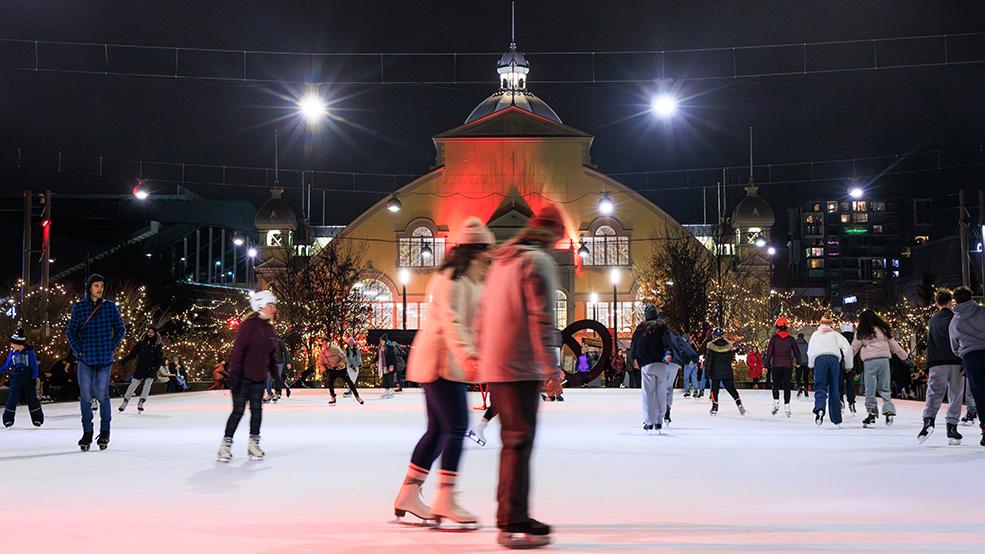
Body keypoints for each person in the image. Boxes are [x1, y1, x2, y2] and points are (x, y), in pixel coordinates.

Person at [393, 217, 493, 528]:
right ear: (473, 250)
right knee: (456, 426)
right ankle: (445, 497)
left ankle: (408, 493)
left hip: (446, 363)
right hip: (440, 364)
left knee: (438, 430)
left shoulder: (472, 280)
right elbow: (453, 325)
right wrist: (470, 357)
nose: (489, 255)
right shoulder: (452, 280)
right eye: (485, 249)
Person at [475, 205, 564, 549]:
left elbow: (483, 315)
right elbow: (539, 320)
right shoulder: (536, 262)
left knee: (513, 442)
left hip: (498, 364)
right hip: (520, 365)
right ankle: (512, 522)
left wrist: (481, 358)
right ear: (552, 234)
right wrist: (550, 370)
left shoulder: (501, 261)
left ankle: (513, 516)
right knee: (519, 442)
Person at [217, 290, 285, 462]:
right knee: (238, 411)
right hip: (242, 377)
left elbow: (271, 355)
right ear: (260, 305)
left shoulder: (269, 328)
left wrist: (277, 378)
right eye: (271, 305)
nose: (274, 309)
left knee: (257, 411)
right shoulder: (248, 326)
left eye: (274, 305)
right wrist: (233, 374)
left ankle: (253, 444)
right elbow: (238, 351)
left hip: (258, 378)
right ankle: (225, 446)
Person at [66, 273, 126, 451]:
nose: (100, 289)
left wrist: (111, 346)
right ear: (89, 288)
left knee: (101, 394)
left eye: (101, 286)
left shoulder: (110, 307)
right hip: (86, 357)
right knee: (85, 396)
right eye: (96, 286)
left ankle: (105, 431)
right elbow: (71, 332)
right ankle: (87, 432)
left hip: (104, 358)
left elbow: (120, 329)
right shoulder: (79, 308)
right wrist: (79, 350)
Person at [918, 289, 965, 445]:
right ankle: (952, 427)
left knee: (934, 392)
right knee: (956, 394)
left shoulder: (932, 321)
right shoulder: (957, 318)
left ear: (937, 302)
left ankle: (929, 420)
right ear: (951, 301)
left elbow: (930, 343)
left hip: (937, 361)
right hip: (956, 360)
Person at [852, 309, 909, 427]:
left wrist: (845, 360)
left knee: (870, 389)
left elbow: (854, 348)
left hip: (869, 362)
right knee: (885, 387)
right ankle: (889, 409)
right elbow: (894, 345)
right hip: (884, 361)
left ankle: (872, 413)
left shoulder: (862, 331)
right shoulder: (883, 330)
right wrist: (904, 356)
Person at [948, 286, 985, 447]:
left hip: (971, 357)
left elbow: (954, 345)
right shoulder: (982, 312)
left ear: (955, 300)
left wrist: (963, 353)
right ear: (971, 297)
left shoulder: (955, 320)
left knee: (980, 395)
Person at [630, 305, 673, 432]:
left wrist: (635, 359)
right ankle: (659, 421)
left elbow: (634, 345)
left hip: (647, 364)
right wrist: (668, 353)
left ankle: (649, 421)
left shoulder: (640, 328)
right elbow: (667, 342)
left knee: (648, 394)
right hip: (661, 364)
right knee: (661, 393)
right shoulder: (662, 326)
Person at [807, 315, 853, 427]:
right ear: (831, 325)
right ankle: (836, 419)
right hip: (833, 360)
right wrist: (848, 365)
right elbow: (847, 348)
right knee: (834, 388)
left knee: (820, 386)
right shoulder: (836, 335)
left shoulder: (815, 335)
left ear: (820, 324)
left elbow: (810, 350)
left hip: (820, 359)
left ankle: (819, 409)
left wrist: (811, 364)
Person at [1, 328, 44, 427]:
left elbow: (34, 366)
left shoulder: (29, 352)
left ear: (19, 344)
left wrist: (34, 378)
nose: (11, 345)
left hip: (27, 377)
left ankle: (37, 419)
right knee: (12, 398)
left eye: (13, 344)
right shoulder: (13, 353)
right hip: (16, 377)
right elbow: (7, 365)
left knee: (32, 398)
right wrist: (1, 370)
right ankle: (8, 419)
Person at [118, 325, 164, 413]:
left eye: (152, 332)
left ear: (155, 334)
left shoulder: (157, 345)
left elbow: (159, 359)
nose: (150, 334)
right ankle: (125, 401)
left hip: (151, 369)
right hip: (141, 367)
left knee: (147, 386)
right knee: (133, 385)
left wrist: (156, 368)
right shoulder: (141, 343)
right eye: (149, 332)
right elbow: (133, 354)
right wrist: (124, 360)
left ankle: (141, 402)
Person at [764, 317, 801, 417]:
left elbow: (769, 353)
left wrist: (766, 365)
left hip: (776, 365)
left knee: (775, 385)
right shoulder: (791, 339)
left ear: (777, 327)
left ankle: (776, 404)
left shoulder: (774, 338)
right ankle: (787, 407)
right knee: (786, 386)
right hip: (787, 366)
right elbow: (797, 352)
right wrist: (798, 362)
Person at [704, 329, 745, 416]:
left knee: (714, 390)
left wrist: (707, 373)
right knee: (731, 389)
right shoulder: (729, 346)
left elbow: (709, 361)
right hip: (727, 371)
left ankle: (714, 407)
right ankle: (739, 403)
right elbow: (730, 359)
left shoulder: (711, 346)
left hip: (715, 372)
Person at [664, 320, 698, 425]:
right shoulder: (674, 336)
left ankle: (658, 410)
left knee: (659, 386)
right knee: (669, 387)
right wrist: (695, 357)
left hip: (660, 362)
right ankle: (667, 408)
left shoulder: (656, 334)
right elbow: (685, 346)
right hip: (673, 363)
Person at [318, 339, 363, 405]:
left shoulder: (336, 349)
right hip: (331, 369)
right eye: (323, 344)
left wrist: (340, 364)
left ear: (329, 343)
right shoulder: (323, 352)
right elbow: (320, 363)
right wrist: (324, 370)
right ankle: (333, 397)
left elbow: (343, 357)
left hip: (341, 369)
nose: (324, 345)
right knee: (329, 382)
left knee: (349, 381)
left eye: (326, 343)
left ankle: (357, 396)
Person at [838, 322, 859, 414]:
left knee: (839, 384)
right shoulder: (855, 339)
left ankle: (840, 400)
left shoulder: (839, 339)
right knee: (851, 384)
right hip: (852, 365)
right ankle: (851, 402)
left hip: (840, 364)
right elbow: (857, 354)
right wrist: (859, 368)